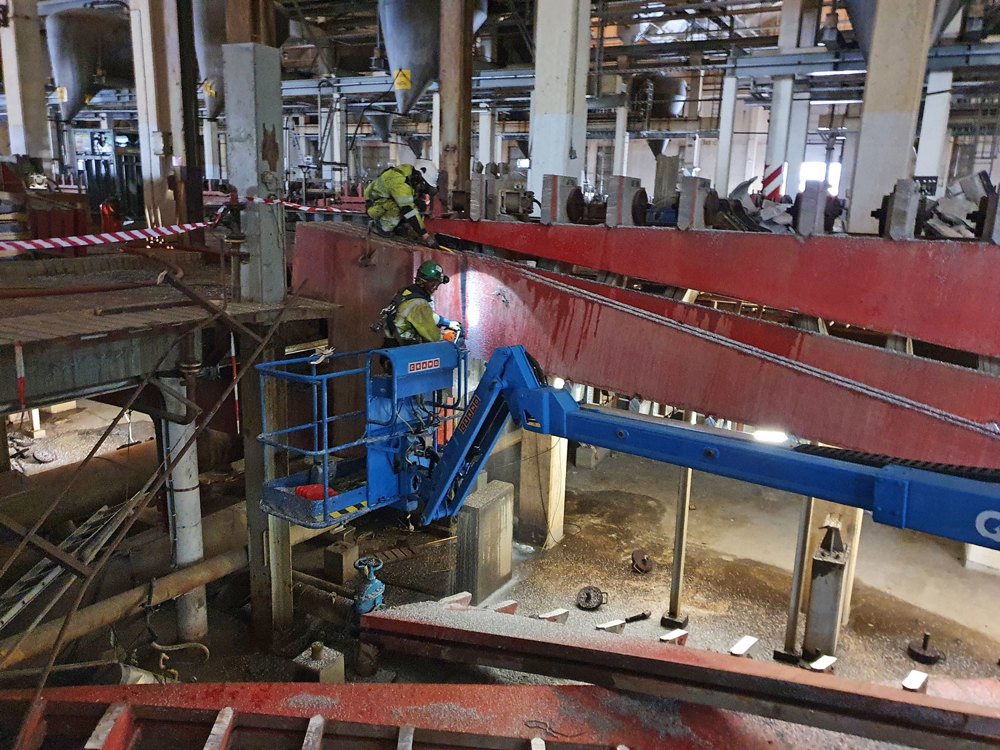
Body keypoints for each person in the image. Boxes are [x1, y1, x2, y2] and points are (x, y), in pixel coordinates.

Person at [381, 261, 462, 346]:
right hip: (405, 351)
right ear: (431, 284)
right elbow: (432, 336)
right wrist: (445, 337)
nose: (436, 289)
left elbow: (421, 316)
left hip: (390, 348)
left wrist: (445, 322)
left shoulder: (406, 293)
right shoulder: (419, 303)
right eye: (436, 285)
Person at [364, 160, 437, 247]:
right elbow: (408, 210)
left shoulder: (409, 173)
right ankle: (381, 226)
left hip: (384, 201)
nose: (422, 190)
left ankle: (397, 226)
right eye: (423, 187)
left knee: (419, 206)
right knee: (401, 207)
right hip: (374, 205)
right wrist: (425, 236)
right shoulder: (400, 182)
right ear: (420, 178)